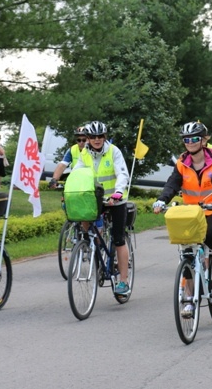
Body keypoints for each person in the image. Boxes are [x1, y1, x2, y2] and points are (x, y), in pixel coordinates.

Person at [152, 122, 212, 277]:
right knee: (185, 247)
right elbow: (172, 184)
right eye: (186, 140)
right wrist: (161, 200)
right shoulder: (181, 164)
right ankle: (187, 299)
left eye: (194, 139)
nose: (190, 143)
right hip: (192, 211)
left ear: (203, 140)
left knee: (207, 232)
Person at [73, 120, 132, 296]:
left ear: (105, 137)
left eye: (100, 136)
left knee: (118, 239)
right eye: (92, 137)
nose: (97, 139)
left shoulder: (114, 151)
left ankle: (123, 280)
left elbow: (122, 173)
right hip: (96, 200)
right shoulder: (85, 153)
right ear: (88, 138)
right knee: (87, 224)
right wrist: (71, 188)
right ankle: (91, 245)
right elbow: (77, 172)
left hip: (115, 200)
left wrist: (118, 192)